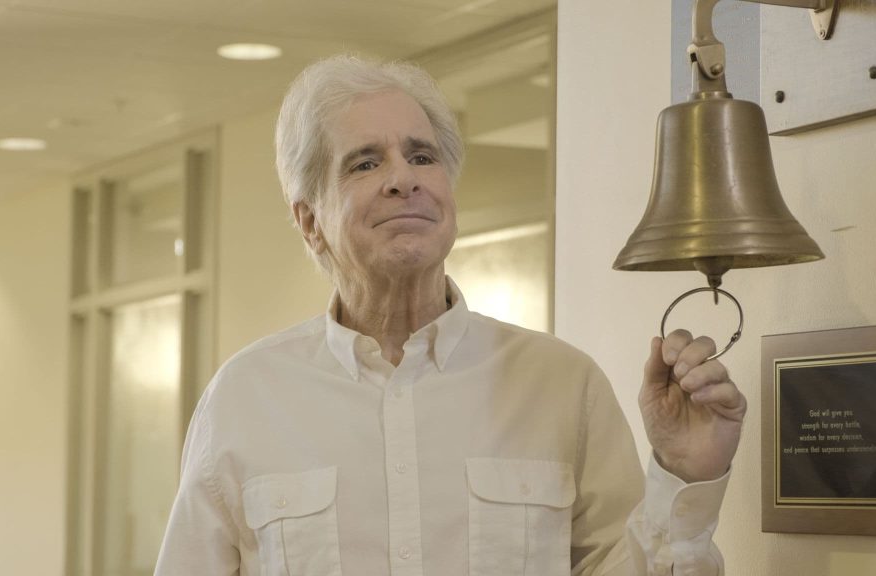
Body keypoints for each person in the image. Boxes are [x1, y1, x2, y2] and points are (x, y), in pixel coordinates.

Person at [154, 55, 746, 576]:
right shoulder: (245, 397)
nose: (403, 179)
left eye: (421, 156)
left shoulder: (564, 384)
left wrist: (683, 475)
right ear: (310, 221)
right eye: (364, 164)